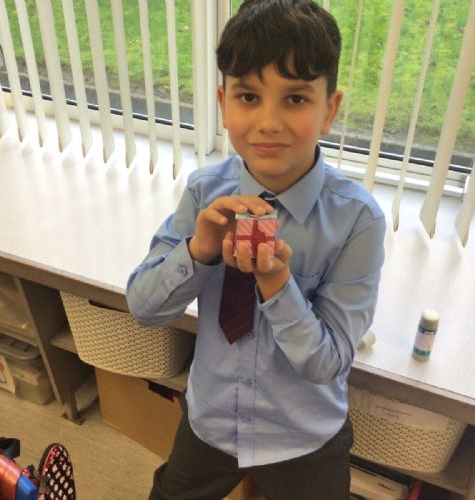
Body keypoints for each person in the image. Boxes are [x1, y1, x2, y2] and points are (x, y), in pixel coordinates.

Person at [126, 1, 386, 498]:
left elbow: (327, 362)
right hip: (212, 420)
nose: (268, 122)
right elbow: (143, 307)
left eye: (295, 98)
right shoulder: (204, 192)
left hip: (303, 436)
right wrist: (200, 250)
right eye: (248, 96)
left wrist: (277, 283)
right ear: (224, 103)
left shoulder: (358, 220)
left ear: (329, 110)